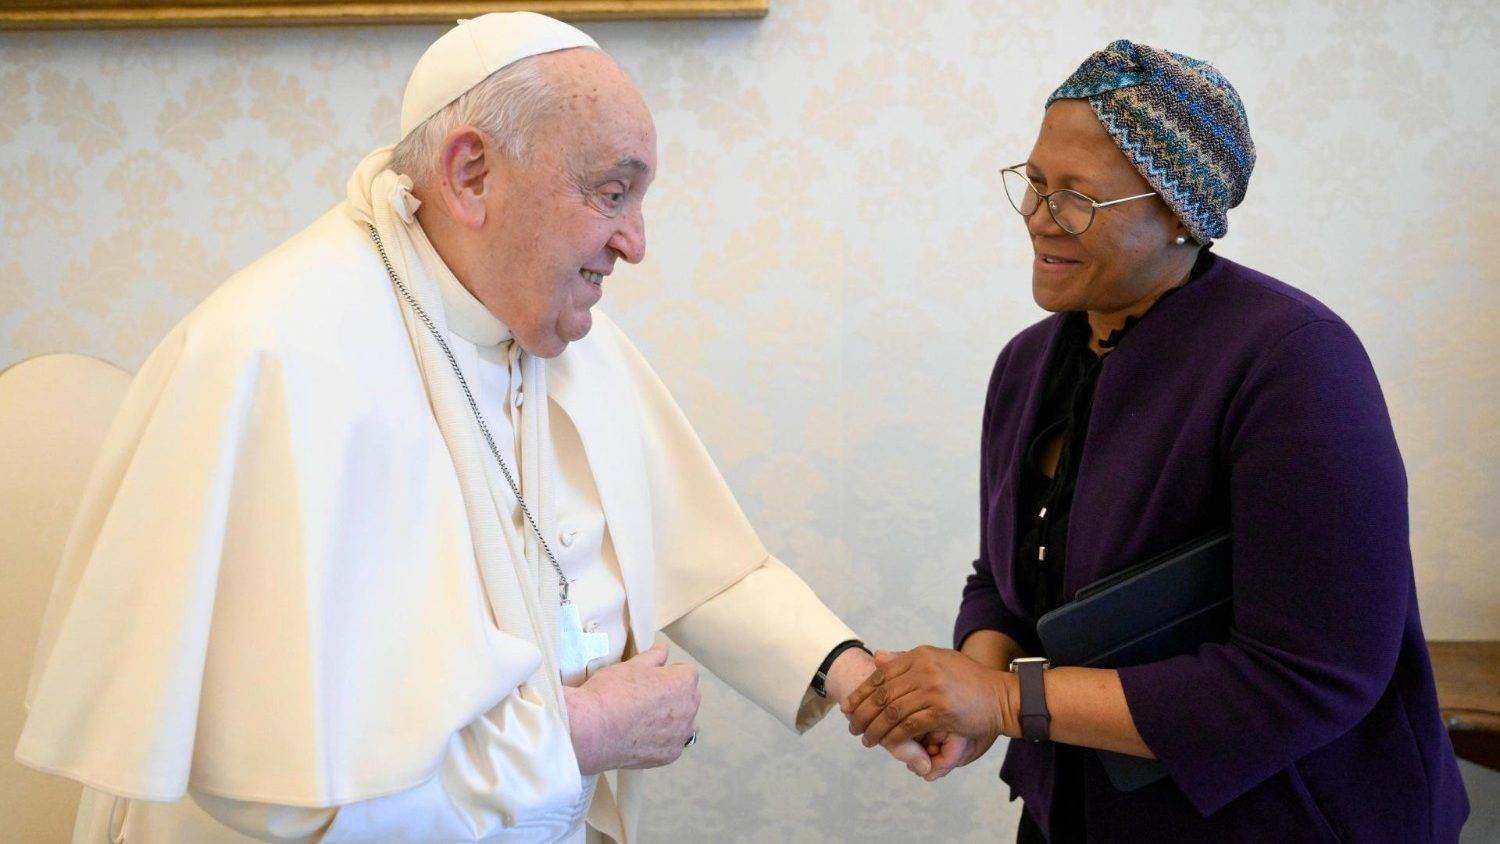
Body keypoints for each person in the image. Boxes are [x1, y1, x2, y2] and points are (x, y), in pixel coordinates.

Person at [15, 13, 924, 843]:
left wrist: (851, 674)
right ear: (471, 174)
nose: (636, 242)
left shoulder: (554, 326)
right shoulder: (276, 357)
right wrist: (585, 731)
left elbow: (702, 555)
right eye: (613, 193)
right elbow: (287, 787)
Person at [842, 40, 1469, 841]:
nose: (1039, 219)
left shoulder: (1296, 362)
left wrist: (1005, 699)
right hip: (1075, 812)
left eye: (1077, 198)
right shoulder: (1029, 363)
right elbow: (1007, 578)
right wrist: (973, 694)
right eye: (1032, 184)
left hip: (1283, 818)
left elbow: (1309, 678)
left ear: (1180, 212)